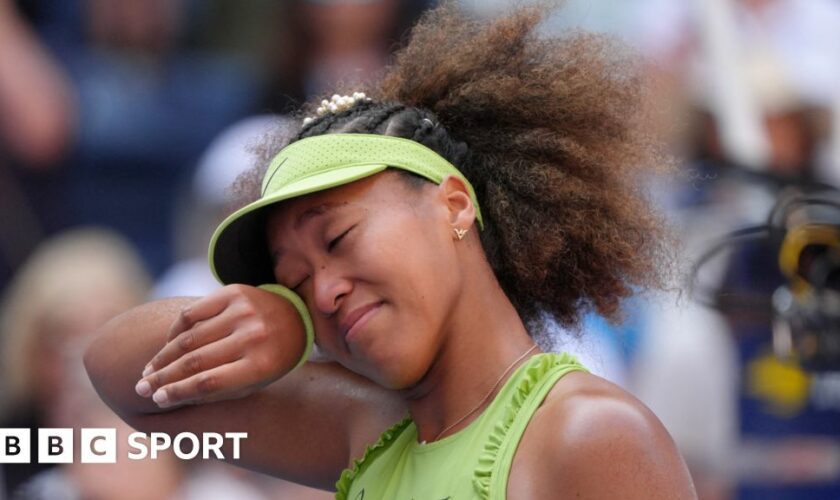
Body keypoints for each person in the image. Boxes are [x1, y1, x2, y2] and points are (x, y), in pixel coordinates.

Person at [85, 4, 697, 498]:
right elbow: (119, 373)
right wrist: (286, 321)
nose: (323, 291)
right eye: (293, 280)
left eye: (338, 240)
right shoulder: (361, 428)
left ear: (454, 206)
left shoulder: (591, 435)